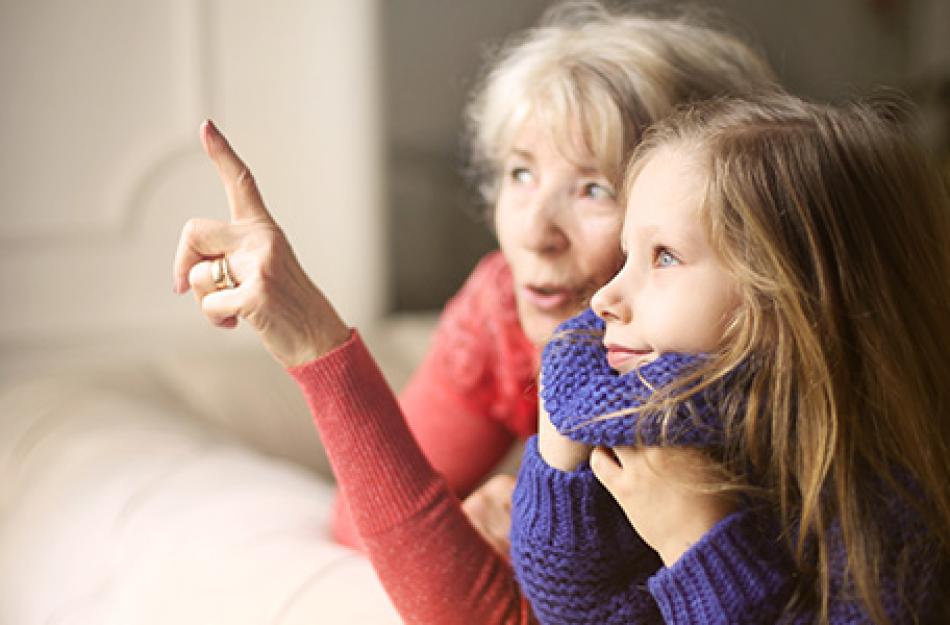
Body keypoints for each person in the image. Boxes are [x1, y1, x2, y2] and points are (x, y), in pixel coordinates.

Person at [172, 3, 778, 622]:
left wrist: (316, 343)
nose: (534, 233)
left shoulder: (705, 378)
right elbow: (358, 523)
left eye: (594, 188)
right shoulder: (505, 305)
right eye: (520, 173)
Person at [511, 92, 950, 624]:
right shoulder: (659, 416)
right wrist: (560, 466)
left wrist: (698, 545)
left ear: (790, 297)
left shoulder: (887, 498)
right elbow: (586, 614)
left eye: (665, 257)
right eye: (628, 256)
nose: (605, 298)